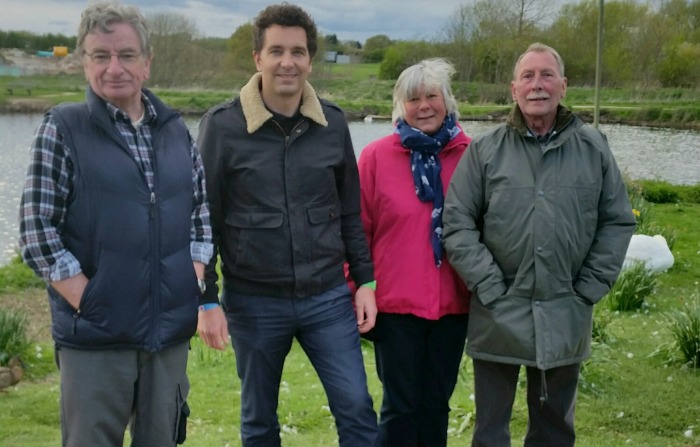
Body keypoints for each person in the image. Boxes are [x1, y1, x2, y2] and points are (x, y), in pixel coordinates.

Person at [18, 2, 213, 446]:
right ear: (84, 62)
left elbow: (200, 214)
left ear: (146, 62)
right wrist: (92, 300)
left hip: (167, 338)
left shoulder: (175, 131)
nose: (114, 68)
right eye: (100, 55)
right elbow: (36, 231)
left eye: (126, 54)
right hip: (95, 337)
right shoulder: (62, 129)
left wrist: (191, 279)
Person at [195, 3, 379, 446]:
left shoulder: (333, 123)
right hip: (254, 301)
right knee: (259, 421)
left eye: (297, 52)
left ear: (310, 60)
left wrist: (367, 282)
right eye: (276, 50)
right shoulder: (221, 127)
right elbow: (203, 220)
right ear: (258, 58)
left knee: (357, 408)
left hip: (327, 298)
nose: (287, 62)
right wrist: (206, 299)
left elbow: (350, 211)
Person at [443, 42, 636, 447]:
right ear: (513, 89)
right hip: (499, 309)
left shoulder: (594, 148)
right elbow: (457, 222)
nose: (537, 85)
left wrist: (588, 289)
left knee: (554, 430)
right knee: (491, 431)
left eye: (547, 75)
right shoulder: (485, 150)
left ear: (563, 86)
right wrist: (490, 286)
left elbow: (616, 221)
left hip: (565, 310)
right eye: (528, 76)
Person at [356, 58, 471, 446]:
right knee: (400, 407)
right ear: (400, 106)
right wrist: (359, 286)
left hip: (454, 304)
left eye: (432, 96)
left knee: (437, 405)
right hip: (395, 306)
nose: (424, 106)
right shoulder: (376, 157)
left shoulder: (471, 155)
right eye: (413, 98)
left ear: (447, 100)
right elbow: (357, 229)